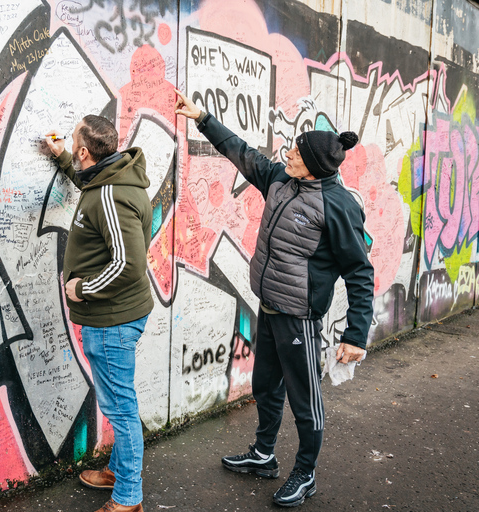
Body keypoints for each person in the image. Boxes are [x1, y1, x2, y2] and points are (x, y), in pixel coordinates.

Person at [175, 90, 374, 507]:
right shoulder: (283, 180)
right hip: (268, 303)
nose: (287, 154)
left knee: (306, 400)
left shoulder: (337, 207)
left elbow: (359, 271)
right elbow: (242, 153)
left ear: (315, 167)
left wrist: (356, 335)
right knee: (266, 386)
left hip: (298, 316)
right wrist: (204, 118)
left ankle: (306, 473)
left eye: (297, 154)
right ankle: (264, 455)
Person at [44, 115, 154, 512]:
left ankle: (128, 498)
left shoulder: (110, 194)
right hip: (118, 316)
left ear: (85, 151)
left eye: (72, 141)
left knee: (120, 408)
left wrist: (81, 288)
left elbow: (128, 264)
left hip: (111, 320)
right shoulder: (111, 179)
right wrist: (61, 160)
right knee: (120, 402)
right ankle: (121, 472)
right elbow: (90, 189)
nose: (71, 144)